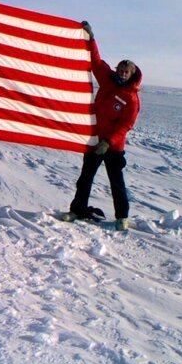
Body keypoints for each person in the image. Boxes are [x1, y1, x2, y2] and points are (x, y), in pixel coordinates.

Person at [63, 21, 142, 231]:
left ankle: (122, 217)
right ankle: (77, 209)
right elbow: (96, 62)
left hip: (112, 147)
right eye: (121, 70)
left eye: (127, 72)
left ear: (132, 74)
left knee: (116, 183)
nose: (122, 73)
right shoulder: (107, 80)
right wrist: (91, 38)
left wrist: (108, 143)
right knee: (85, 179)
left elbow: (126, 124)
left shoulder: (132, 98)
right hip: (94, 141)